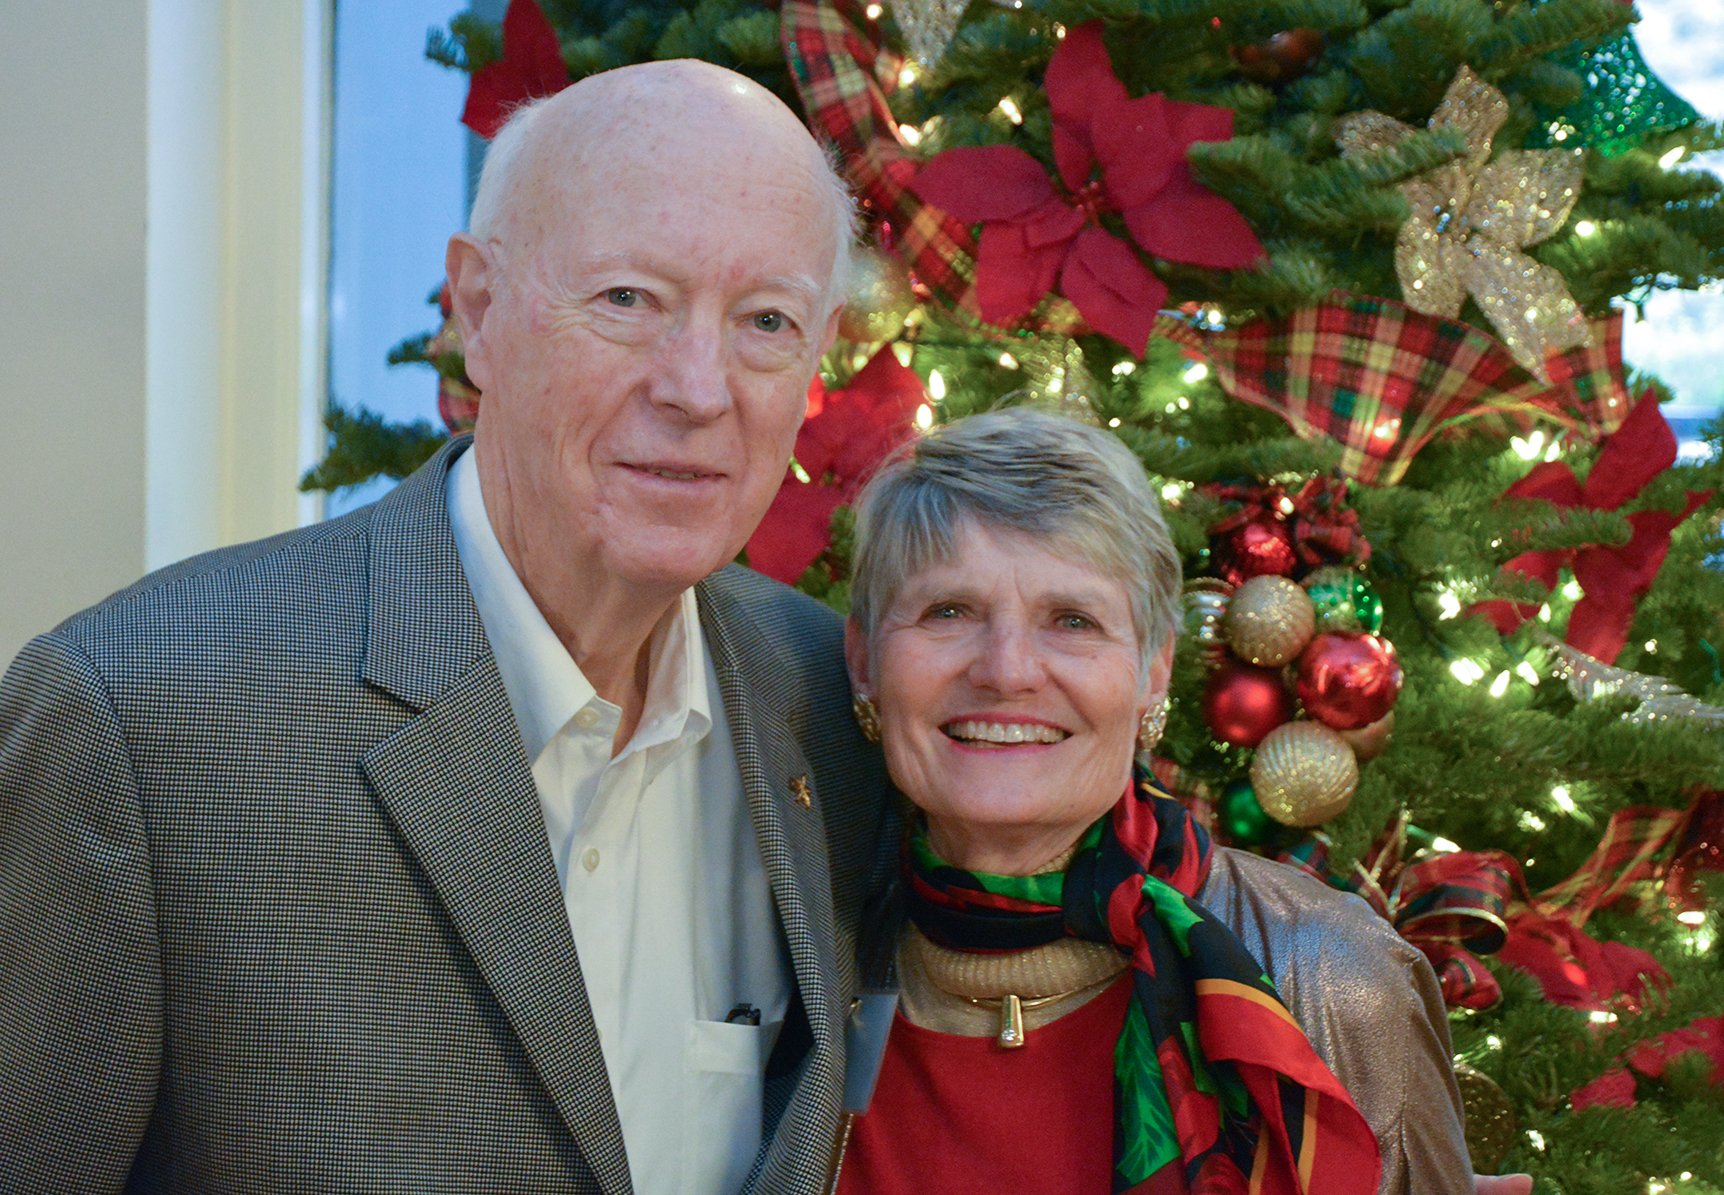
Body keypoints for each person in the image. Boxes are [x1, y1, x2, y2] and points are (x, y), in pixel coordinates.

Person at [0, 62, 892, 1194]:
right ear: (476, 307)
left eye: (765, 320)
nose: (697, 388)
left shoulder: (830, 704)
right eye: (628, 300)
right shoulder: (138, 716)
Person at [833, 408, 1481, 1194]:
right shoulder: (799, 961)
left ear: (1153, 671)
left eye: (1072, 620)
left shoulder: (1332, 978)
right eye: (948, 611)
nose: (1006, 670)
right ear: (863, 661)